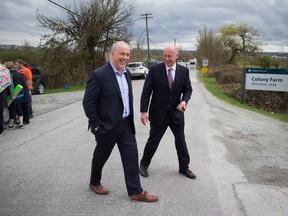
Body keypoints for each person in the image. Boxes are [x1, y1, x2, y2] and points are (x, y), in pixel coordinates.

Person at [82, 41, 158, 202]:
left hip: (126, 125)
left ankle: (136, 191)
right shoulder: (99, 75)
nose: (125, 57)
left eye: (127, 54)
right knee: (101, 156)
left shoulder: (127, 73)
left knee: (131, 156)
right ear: (112, 54)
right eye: (122, 54)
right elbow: (88, 103)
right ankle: (94, 182)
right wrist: (96, 125)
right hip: (106, 127)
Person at [139, 45, 197, 179]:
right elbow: (146, 91)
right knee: (153, 140)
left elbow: (188, 89)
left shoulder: (184, 71)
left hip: (176, 113)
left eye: (169, 56)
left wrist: (184, 101)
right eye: (164, 55)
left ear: (177, 56)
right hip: (158, 113)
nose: (166, 58)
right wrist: (143, 111)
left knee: (181, 141)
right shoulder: (154, 70)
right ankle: (144, 164)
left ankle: (184, 167)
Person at [5, 61, 28, 129]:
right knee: (19, 108)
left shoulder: (9, 74)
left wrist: (12, 95)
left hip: (13, 94)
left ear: (8, 67)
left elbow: (11, 86)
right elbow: (24, 84)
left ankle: (11, 124)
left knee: (12, 109)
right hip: (20, 93)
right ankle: (21, 123)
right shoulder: (19, 73)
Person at [15, 60, 32, 124]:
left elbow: (29, 80)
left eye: (17, 64)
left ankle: (27, 119)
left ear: (21, 64)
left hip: (25, 89)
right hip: (19, 90)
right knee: (20, 105)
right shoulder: (18, 71)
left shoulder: (27, 70)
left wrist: (24, 87)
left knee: (26, 104)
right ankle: (21, 119)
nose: (16, 65)